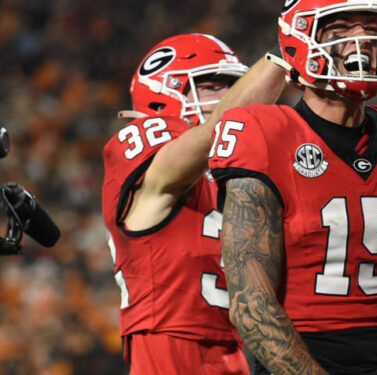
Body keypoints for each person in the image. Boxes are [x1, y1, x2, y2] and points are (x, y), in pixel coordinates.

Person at [207, 0, 377, 374]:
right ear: (301, 38)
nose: (363, 41)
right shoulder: (265, 131)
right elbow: (250, 304)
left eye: (372, 29)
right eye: (342, 30)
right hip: (294, 357)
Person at [102, 33, 285, 374]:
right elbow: (217, 128)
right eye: (213, 86)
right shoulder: (143, 156)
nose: (229, 96)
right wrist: (288, 48)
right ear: (161, 99)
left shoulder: (228, 176)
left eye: (233, 86)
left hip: (234, 347)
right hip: (171, 344)